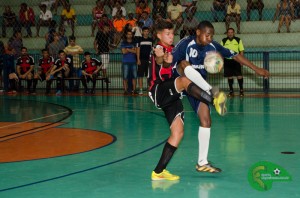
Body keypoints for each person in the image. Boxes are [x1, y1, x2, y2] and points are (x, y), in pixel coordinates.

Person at [172, 20, 270, 173]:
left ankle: (202, 162)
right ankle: (212, 92)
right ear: (198, 32)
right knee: (184, 63)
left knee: (206, 120)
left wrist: (256, 69)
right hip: (179, 81)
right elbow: (171, 61)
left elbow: (235, 55)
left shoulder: (213, 46)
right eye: (208, 35)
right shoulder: (185, 43)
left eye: (212, 35)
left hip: (197, 86)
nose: (210, 38)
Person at [149, 20, 226, 181]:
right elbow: (159, 60)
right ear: (158, 35)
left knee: (178, 133)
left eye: (172, 33)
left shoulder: (173, 49)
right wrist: (161, 58)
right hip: (159, 90)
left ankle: (158, 172)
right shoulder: (158, 48)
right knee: (184, 81)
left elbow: (173, 64)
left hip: (173, 94)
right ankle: (213, 98)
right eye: (167, 34)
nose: (171, 37)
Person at [221, 28, 245, 97]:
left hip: (236, 60)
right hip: (227, 60)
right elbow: (221, 51)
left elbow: (241, 51)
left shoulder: (238, 40)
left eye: (232, 32)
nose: (230, 34)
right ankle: (231, 91)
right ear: (227, 33)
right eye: (229, 32)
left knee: (239, 75)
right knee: (229, 76)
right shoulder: (223, 41)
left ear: (234, 33)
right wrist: (221, 61)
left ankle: (241, 90)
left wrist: (241, 60)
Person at [136, 27, 153, 94]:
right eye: (145, 31)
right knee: (140, 75)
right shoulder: (139, 40)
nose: (146, 32)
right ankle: (140, 89)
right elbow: (137, 50)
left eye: (147, 31)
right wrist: (138, 59)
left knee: (148, 75)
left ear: (148, 32)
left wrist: (151, 59)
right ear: (142, 32)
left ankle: (149, 89)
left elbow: (152, 49)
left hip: (148, 60)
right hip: (141, 60)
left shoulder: (151, 40)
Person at [121, 30, 138, 94]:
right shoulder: (123, 42)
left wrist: (127, 49)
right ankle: (125, 90)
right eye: (128, 34)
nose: (129, 35)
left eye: (131, 34)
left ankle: (134, 90)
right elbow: (123, 52)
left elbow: (136, 51)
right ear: (126, 35)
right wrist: (132, 50)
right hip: (125, 62)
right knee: (125, 77)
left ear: (132, 35)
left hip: (133, 62)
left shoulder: (134, 42)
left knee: (134, 77)